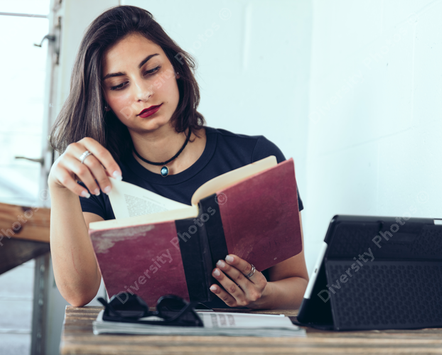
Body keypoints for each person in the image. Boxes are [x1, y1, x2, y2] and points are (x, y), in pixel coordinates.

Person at [48, 5, 308, 309]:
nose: (143, 92)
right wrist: (60, 190)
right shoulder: (97, 174)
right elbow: (78, 293)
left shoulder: (255, 157)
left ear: (177, 69)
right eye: (119, 85)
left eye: (152, 70)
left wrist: (262, 295)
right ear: (103, 101)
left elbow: (297, 284)